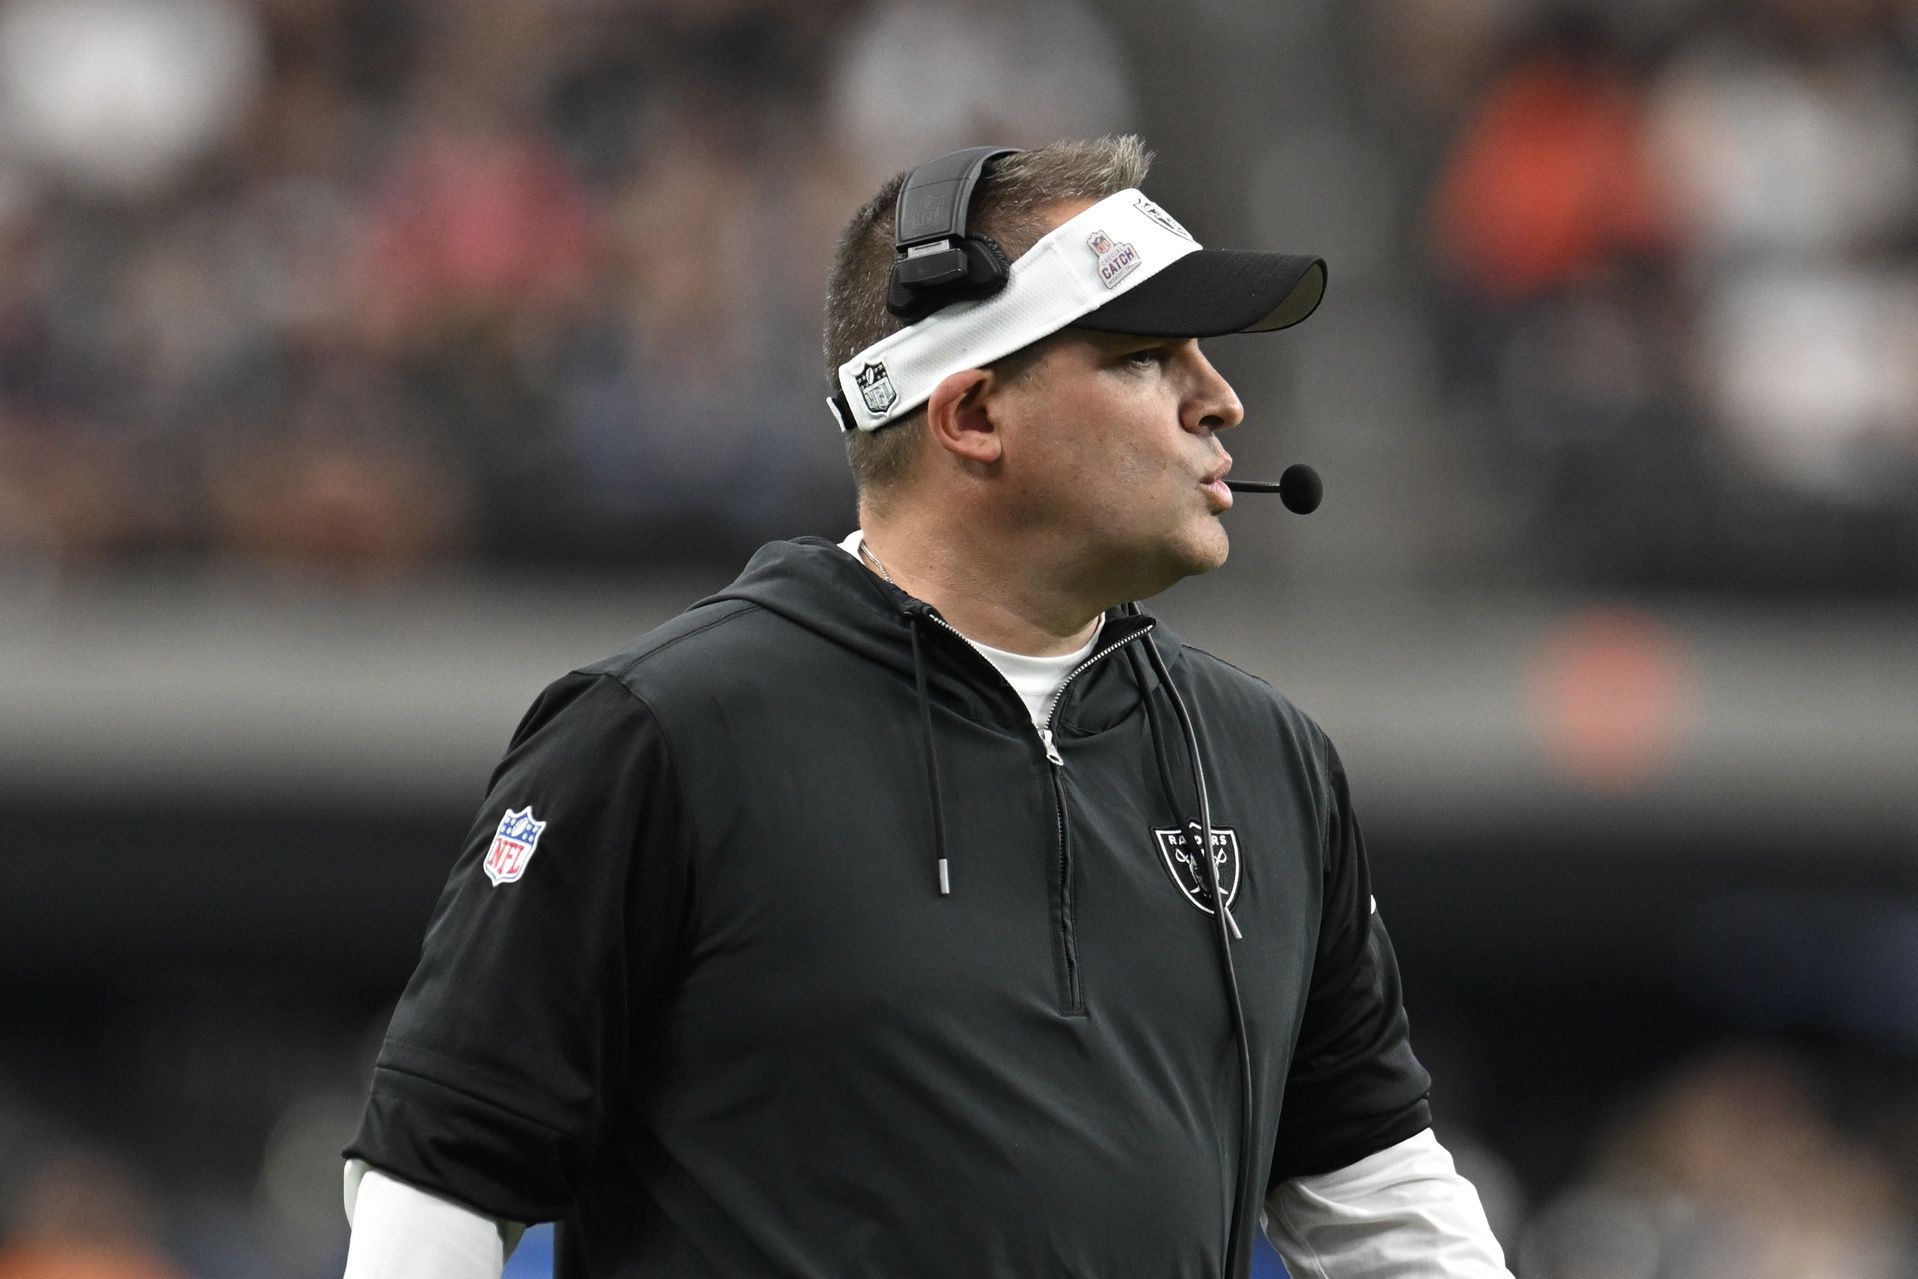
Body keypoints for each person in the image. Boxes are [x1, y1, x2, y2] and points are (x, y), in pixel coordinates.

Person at [340, 135, 1512, 1278]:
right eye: (1147, 355)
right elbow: (440, 1181)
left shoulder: (1266, 761)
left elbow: (1375, 1189)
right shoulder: (665, 731)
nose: (1222, 401)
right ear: (971, 415)